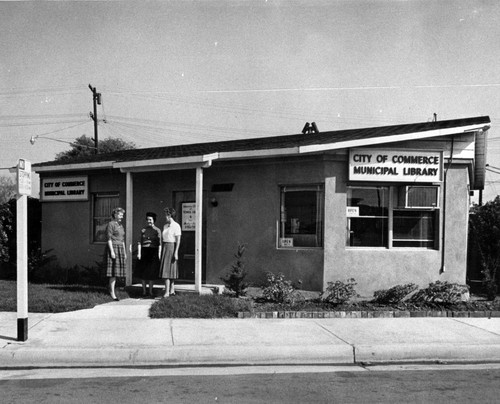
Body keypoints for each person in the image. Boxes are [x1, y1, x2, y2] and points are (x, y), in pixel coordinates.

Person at [136, 212, 161, 298]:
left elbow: (160, 243)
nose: (148, 221)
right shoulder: (143, 230)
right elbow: (139, 242)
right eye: (147, 219)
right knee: (143, 272)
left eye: (150, 219)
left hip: (153, 251)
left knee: (151, 273)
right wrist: (139, 253)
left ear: (154, 220)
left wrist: (159, 254)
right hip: (144, 251)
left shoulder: (157, 230)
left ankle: (150, 292)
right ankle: (144, 291)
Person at [159, 207, 181, 297]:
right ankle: (170, 291)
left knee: (170, 270)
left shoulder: (176, 226)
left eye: (166, 215)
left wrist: (176, 252)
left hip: (172, 247)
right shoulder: (165, 226)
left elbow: (178, 240)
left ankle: (168, 291)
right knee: (166, 270)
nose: (165, 217)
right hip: (165, 247)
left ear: (170, 215)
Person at [106, 207, 126, 301]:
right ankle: (112, 293)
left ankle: (113, 289)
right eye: (120, 214)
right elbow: (109, 239)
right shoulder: (111, 224)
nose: (122, 216)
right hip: (113, 247)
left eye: (122, 215)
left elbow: (122, 240)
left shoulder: (121, 225)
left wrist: (124, 252)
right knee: (113, 273)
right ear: (115, 214)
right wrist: (112, 251)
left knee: (117, 272)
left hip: (120, 248)